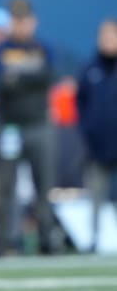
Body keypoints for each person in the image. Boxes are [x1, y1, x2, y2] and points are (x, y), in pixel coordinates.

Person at [0, 0, 57, 255]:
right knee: (3, 188)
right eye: (15, 20)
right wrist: (27, 75)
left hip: (39, 125)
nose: (20, 25)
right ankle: (4, 243)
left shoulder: (44, 48)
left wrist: (16, 75)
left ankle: (46, 240)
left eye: (24, 19)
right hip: (8, 126)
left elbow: (47, 77)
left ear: (33, 21)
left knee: (44, 186)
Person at [76, 18, 117, 253]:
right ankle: (92, 239)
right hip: (97, 144)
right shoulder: (90, 68)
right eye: (104, 36)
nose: (108, 41)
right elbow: (80, 100)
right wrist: (87, 128)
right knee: (96, 195)